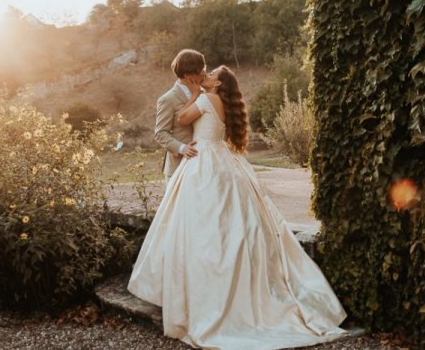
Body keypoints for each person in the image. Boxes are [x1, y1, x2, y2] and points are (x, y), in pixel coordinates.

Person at [128, 65, 348, 350]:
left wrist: (195, 92)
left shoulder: (206, 99)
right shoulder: (224, 104)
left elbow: (182, 117)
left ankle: (211, 295)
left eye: (210, 75)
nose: (205, 76)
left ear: (218, 84)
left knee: (203, 226)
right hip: (223, 161)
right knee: (227, 223)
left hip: (205, 162)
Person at [154, 49, 206, 184]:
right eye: (200, 70)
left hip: (204, 165)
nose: (204, 73)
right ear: (189, 75)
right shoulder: (167, 99)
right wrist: (182, 148)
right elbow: (160, 133)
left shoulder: (205, 94)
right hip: (178, 167)